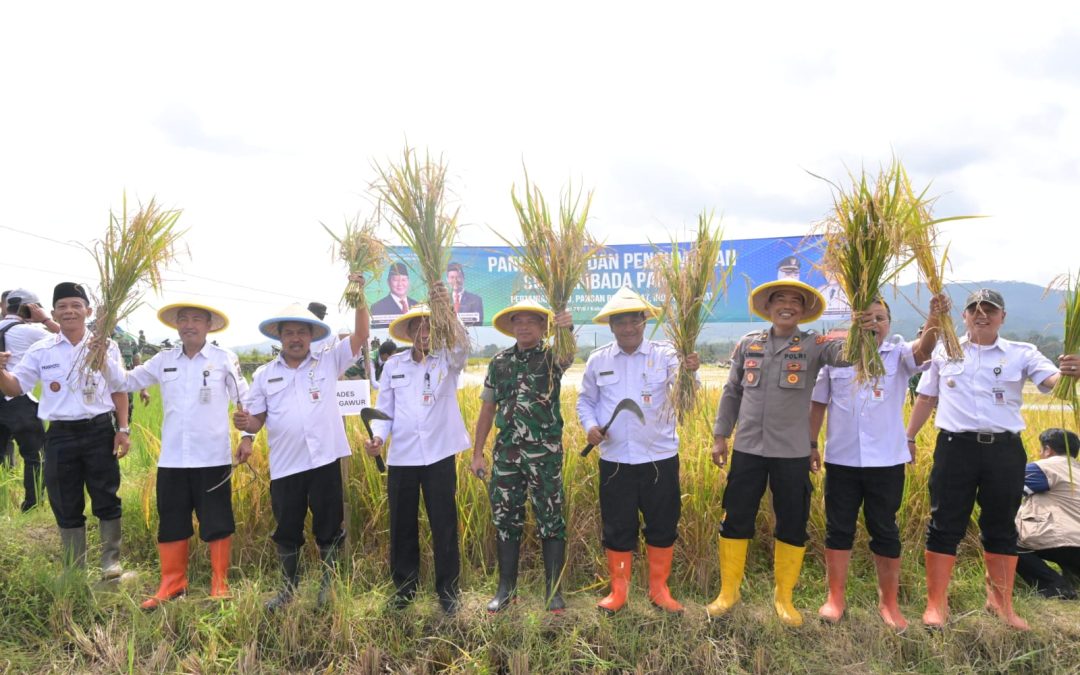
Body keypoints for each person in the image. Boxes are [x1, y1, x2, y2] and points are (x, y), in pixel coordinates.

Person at [906, 288, 1078, 630]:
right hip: (955, 447)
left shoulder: (1022, 352)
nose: (981, 314)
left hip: (1004, 450)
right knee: (944, 525)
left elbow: (1052, 380)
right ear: (965, 315)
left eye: (990, 309)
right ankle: (936, 605)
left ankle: (1001, 604)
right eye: (974, 309)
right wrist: (908, 437)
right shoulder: (946, 350)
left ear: (1002, 316)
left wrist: (1071, 371)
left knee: (1001, 527)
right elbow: (926, 398)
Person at [707, 279, 862, 626]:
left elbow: (847, 355)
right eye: (780, 300)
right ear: (769, 307)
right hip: (747, 448)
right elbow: (732, 392)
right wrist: (721, 436)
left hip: (791, 452)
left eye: (795, 301)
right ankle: (728, 592)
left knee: (792, 521)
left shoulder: (814, 345)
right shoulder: (749, 344)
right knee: (735, 517)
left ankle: (784, 598)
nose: (787, 305)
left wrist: (861, 325)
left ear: (805, 311)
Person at [808, 295, 946, 629]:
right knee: (838, 527)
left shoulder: (898, 354)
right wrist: (811, 444)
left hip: (886, 461)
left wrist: (934, 319)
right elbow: (817, 404)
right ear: (855, 322)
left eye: (881, 318)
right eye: (867, 318)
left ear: (889, 323)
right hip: (842, 459)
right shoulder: (835, 356)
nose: (875, 324)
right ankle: (835, 599)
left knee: (884, 528)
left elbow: (924, 350)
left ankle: (889, 604)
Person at [233, 274, 369, 611]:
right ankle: (288, 590)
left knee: (328, 525)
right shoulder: (265, 375)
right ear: (279, 337)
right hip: (286, 465)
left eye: (302, 332)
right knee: (287, 528)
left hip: (324, 461)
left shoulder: (328, 362)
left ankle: (327, 588)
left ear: (312, 336)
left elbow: (362, 335)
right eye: (289, 332)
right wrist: (245, 429)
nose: (296, 338)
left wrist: (360, 295)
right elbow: (256, 419)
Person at [107, 301, 250, 609]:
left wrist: (247, 436)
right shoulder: (163, 360)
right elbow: (125, 381)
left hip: (212, 456)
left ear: (209, 325)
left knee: (217, 519)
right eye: (183, 319)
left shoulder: (225, 359)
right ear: (176, 326)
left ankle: (219, 583)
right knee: (171, 520)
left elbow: (245, 400)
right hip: (172, 457)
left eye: (197, 319)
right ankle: (172, 583)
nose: (189, 325)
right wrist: (100, 355)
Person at [577, 286, 701, 614]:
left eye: (635, 320)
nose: (628, 327)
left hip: (659, 458)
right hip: (615, 460)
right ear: (611, 325)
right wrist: (589, 425)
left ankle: (659, 590)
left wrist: (691, 373)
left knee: (662, 523)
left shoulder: (667, 355)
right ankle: (619, 592)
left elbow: (687, 396)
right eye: (621, 322)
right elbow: (585, 400)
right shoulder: (598, 359)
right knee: (617, 526)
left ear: (645, 321)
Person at [0, 282, 131, 577]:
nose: (69, 311)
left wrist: (123, 429)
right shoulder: (41, 349)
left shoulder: (104, 346)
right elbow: (15, 386)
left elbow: (119, 389)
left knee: (106, 494)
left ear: (87, 311)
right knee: (64, 498)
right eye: (62, 306)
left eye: (75, 305)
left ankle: (111, 560)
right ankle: (74, 567)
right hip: (59, 434)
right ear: (53, 313)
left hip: (99, 430)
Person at [365, 286, 470, 614]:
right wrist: (378, 438)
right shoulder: (393, 365)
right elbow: (384, 411)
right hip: (403, 458)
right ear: (408, 332)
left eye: (430, 326)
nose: (424, 332)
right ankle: (405, 587)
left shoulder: (448, 360)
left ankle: (448, 590)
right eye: (417, 327)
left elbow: (464, 345)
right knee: (402, 524)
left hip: (439, 455)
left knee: (444, 523)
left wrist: (446, 311)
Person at [470, 299, 573, 612]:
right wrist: (477, 454)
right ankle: (506, 590)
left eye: (532, 321)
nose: (525, 326)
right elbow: (488, 408)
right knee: (505, 519)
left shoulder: (552, 357)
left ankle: (553, 591)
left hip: (545, 454)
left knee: (550, 519)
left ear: (544, 327)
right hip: (507, 455)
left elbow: (568, 354)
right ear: (511, 327)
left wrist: (566, 327)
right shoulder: (499, 362)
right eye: (519, 321)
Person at [0, 289, 59, 511]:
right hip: (17, 399)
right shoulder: (29, 331)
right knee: (35, 456)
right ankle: (32, 504)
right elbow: (70, 340)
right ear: (29, 309)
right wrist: (45, 319)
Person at [1015, 428, 1080, 600]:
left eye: (1041, 449)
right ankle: (1073, 578)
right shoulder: (1076, 470)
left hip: (1066, 542)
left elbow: (1005, 490)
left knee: (1003, 540)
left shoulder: (1044, 467)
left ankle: (1055, 588)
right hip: (1074, 545)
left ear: (1048, 449)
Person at [370, 263, 420, 328]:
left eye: (403, 280)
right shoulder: (377, 307)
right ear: (388, 282)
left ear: (408, 282)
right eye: (396, 280)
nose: (400, 284)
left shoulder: (418, 306)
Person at [447, 262, 484, 326]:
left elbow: (478, 323)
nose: (455, 280)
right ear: (447, 280)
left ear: (463, 278)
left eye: (458, 277)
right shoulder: (443, 300)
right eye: (452, 277)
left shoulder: (476, 300)